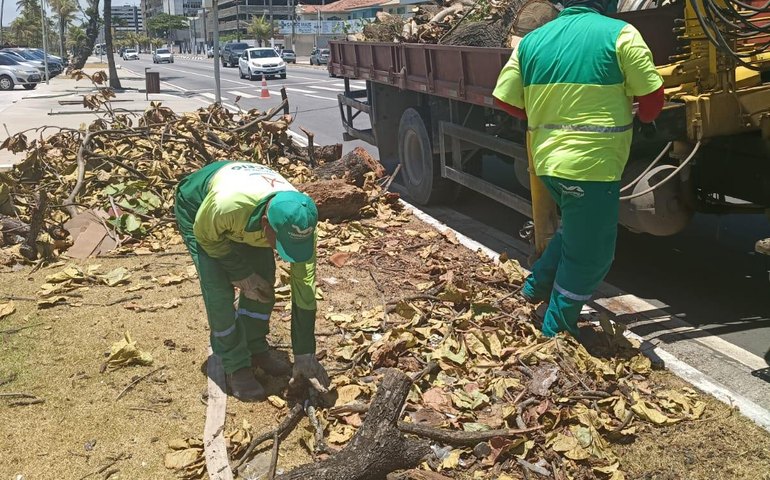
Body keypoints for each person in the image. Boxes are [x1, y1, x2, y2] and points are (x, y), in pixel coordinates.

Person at [493, 0, 664, 340]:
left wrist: (541, 116)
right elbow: (652, 99)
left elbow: (503, 99)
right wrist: (642, 117)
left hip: (548, 164)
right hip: (592, 167)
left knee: (574, 230)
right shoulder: (620, 34)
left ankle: (533, 289)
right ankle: (556, 331)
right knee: (591, 255)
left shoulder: (532, 41)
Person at [175, 161, 330, 401]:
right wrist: (241, 274)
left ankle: (255, 347)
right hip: (199, 210)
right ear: (266, 225)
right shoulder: (226, 205)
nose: (284, 253)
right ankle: (235, 365)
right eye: (281, 244)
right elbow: (207, 237)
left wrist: (304, 353)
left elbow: (304, 290)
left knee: (263, 282)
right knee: (218, 290)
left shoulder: (302, 224)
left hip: (246, 216)